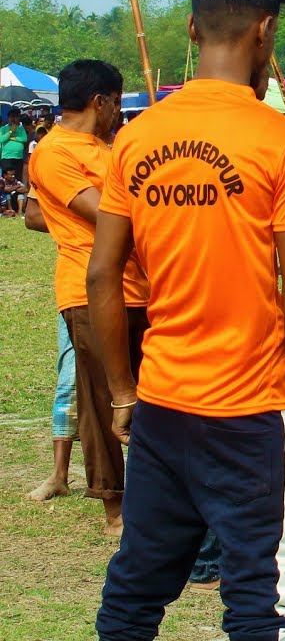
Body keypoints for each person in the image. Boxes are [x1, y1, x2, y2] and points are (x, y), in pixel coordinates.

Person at [89, 0, 285, 639]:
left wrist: (121, 391)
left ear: (194, 32)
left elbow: (102, 275)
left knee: (135, 590)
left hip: (162, 405)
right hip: (252, 414)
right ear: (264, 30)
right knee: (262, 601)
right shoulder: (281, 140)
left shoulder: (136, 138)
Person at [27, 60, 149, 536]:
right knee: (102, 399)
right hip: (89, 289)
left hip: (143, 289)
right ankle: (114, 507)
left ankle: (154, 495)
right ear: (101, 101)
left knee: (148, 394)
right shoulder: (55, 152)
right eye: (118, 103)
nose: (119, 113)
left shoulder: (108, 148)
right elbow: (102, 213)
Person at [23, 190, 79, 502]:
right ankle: (59, 475)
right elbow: (32, 216)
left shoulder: (119, 155)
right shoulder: (59, 153)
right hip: (78, 284)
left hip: (135, 281)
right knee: (70, 378)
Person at [1, 109, 27, 176]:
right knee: (7, 176)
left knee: (17, 176)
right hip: (7, 157)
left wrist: (14, 138)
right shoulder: (3, 128)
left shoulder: (21, 129)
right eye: (12, 117)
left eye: (15, 117)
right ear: (8, 118)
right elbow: (1, 139)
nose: (13, 119)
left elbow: (24, 139)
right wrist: (10, 131)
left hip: (18, 156)